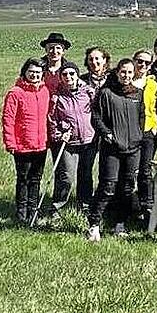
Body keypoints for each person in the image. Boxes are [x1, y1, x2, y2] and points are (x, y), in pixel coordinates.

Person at [87, 58, 145, 241]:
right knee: (107, 186)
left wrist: (138, 135)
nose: (126, 75)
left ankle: (120, 223)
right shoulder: (106, 93)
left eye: (129, 72)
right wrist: (106, 133)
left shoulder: (138, 94)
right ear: (117, 72)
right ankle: (94, 224)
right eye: (123, 72)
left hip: (133, 148)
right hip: (112, 148)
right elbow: (96, 117)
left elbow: (142, 116)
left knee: (127, 187)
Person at [2, 57, 50, 225]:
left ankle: (33, 211)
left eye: (38, 73)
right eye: (32, 72)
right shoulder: (16, 93)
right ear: (25, 73)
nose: (35, 75)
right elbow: (8, 119)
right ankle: (21, 213)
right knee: (23, 179)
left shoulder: (45, 92)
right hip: (22, 145)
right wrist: (10, 143)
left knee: (36, 179)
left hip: (41, 144)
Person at [46, 61, 96, 216]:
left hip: (88, 140)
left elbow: (97, 112)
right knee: (66, 176)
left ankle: (85, 204)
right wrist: (59, 135)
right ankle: (58, 206)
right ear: (60, 77)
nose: (69, 77)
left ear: (77, 75)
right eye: (65, 74)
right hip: (68, 143)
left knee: (85, 175)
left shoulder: (88, 92)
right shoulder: (57, 96)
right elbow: (51, 119)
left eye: (72, 73)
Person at [132, 48, 157, 218]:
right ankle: (129, 203)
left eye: (146, 62)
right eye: (139, 61)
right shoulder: (127, 82)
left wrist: (156, 124)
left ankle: (147, 205)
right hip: (130, 131)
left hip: (148, 130)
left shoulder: (153, 84)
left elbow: (156, 106)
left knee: (145, 170)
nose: (142, 65)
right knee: (130, 170)